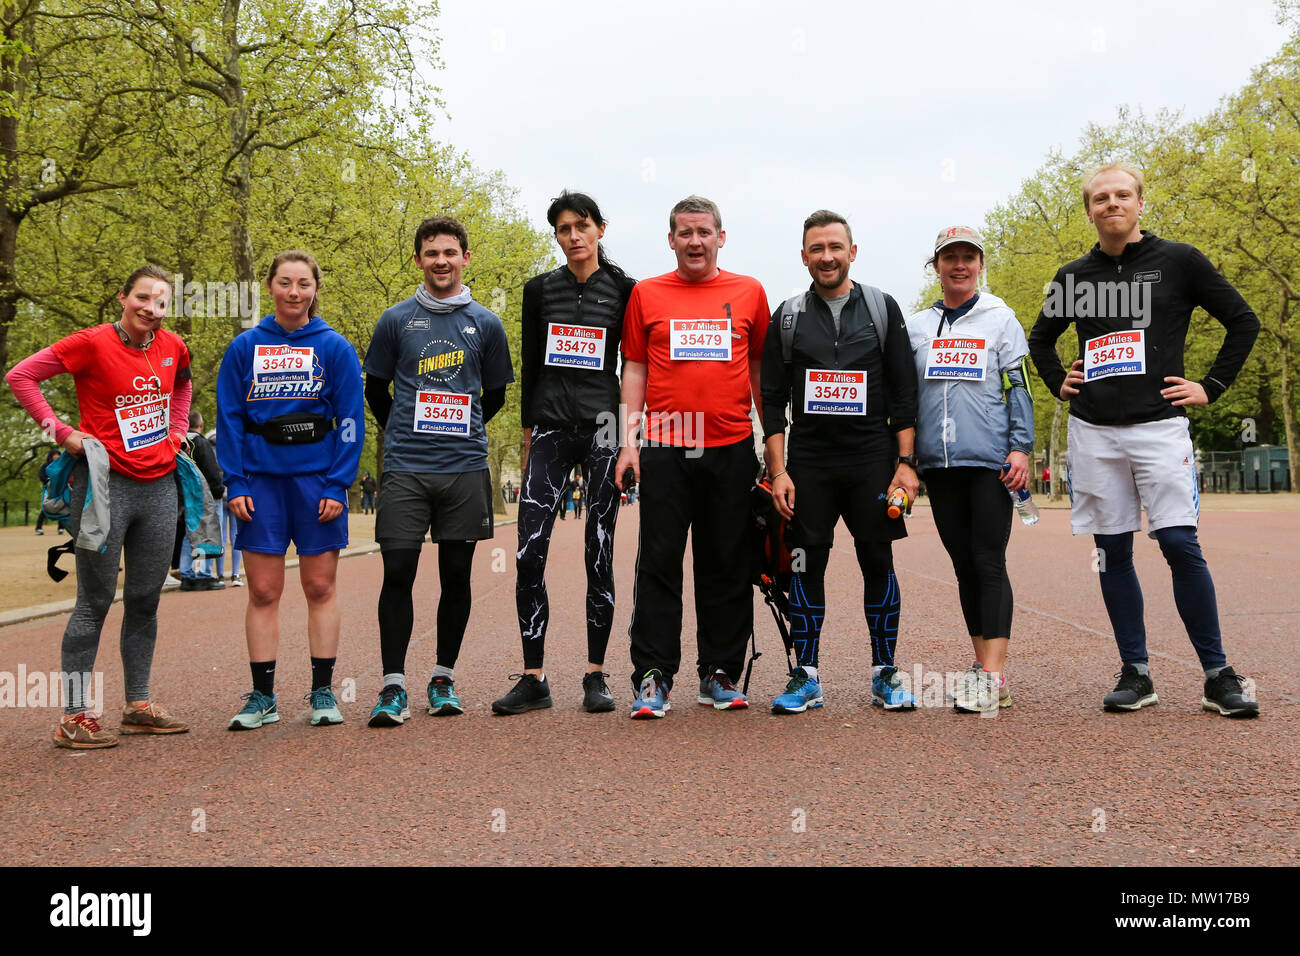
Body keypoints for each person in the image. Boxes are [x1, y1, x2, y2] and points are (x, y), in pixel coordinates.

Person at [1028, 162, 1261, 717]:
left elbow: (1242, 320)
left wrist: (1211, 386)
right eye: (1101, 197)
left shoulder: (1178, 261)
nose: (1112, 203)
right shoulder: (1073, 276)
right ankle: (1136, 672)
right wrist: (1058, 379)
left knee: (1180, 543)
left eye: (1122, 195)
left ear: (1139, 203)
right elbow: (1041, 339)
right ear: (1088, 210)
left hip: (1160, 430)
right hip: (1094, 433)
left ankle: (1217, 675)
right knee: (1112, 552)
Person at [5, 265, 193, 747]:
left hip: (159, 487)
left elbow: (182, 388)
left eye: (162, 302)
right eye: (143, 298)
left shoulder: (173, 347)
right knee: (93, 602)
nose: (151, 309)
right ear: (122, 297)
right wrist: (62, 433)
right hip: (101, 487)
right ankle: (74, 716)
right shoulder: (89, 343)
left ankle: (138, 705)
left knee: (146, 600)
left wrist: (175, 434)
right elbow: (20, 376)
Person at [613, 195, 769, 718]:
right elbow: (633, 370)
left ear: (721, 238)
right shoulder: (646, 293)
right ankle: (653, 676)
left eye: (704, 232)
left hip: (730, 449)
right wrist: (628, 442)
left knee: (726, 561)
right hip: (665, 447)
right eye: (685, 233)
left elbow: (759, 374)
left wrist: (773, 448)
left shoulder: (749, 293)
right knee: (658, 563)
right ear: (672, 239)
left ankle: (719, 673)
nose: (695, 241)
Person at [761, 210, 920, 715]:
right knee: (806, 564)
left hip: (872, 458)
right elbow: (771, 400)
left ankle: (884, 672)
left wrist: (906, 463)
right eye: (816, 248)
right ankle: (806, 674)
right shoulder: (787, 317)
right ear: (804, 256)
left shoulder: (881, 308)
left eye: (835, 247)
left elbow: (902, 389)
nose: (826, 256)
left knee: (878, 559)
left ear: (853, 252)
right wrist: (779, 471)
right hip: (810, 463)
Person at [364, 216, 514, 726]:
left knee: (456, 577)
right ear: (419, 261)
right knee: (398, 573)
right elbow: (375, 390)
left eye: (451, 252)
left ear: (466, 258)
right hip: (406, 467)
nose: (442, 261)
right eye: (432, 253)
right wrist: (404, 429)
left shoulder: (486, 324)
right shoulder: (394, 320)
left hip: (464, 468)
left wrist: (461, 426)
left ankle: (443, 677)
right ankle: (392, 687)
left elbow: (493, 394)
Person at [492, 190, 635, 716]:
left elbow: (633, 367)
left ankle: (596, 675)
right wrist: (529, 430)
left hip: (602, 428)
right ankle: (534, 678)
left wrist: (627, 438)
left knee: (598, 552)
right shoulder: (539, 290)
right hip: (550, 427)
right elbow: (530, 363)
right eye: (562, 229)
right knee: (529, 550)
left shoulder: (625, 289)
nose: (573, 236)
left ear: (600, 228)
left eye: (581, 226)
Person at [217, 250, 364, 729]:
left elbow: (349, 420)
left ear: (315, 289)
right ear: (271, 287)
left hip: (318, 483)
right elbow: (230, 419)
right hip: (260, 483)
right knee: (262, 590)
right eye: (285, 283)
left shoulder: (336, 348)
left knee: (319, 586)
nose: (294, 292)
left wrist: (339, 483)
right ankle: (263, 697)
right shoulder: (245, 347)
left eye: (303, 283)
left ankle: (323, 691)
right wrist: (235, 480)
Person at [906, 225, 1033, 714]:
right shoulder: (916, 326)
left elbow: (1017, 385)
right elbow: (906, 395)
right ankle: (984, 669)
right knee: (963, 565)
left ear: (980, 264)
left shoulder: (1000, 319)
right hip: (938, 465)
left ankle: (993, 672)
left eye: (968, 257)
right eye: (950, 257)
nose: (959, 265)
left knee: (988, 560)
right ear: (936, 266)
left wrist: (1020, 448)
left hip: (989, 462)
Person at [179, 410, 226, 591]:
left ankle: (187, 574)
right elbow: (211, 469)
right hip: (207, 495)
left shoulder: (181, 441)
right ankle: (206, 574)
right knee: (211, 531)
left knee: (189, 534)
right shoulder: (200, 442)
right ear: (201, 424)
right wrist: (218, 489)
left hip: (188, 494)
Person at [34, 447, 61, 535]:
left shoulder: (61, 465)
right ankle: (38, 528)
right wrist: (48, 480)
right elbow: (42, 476)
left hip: (60, 489)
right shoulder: (45, 466)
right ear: (51, 456)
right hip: (48, 489)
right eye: (55, 455)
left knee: (62, 506)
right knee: (46, 507)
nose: (56, 457)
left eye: (58, 455)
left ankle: (61, 527)